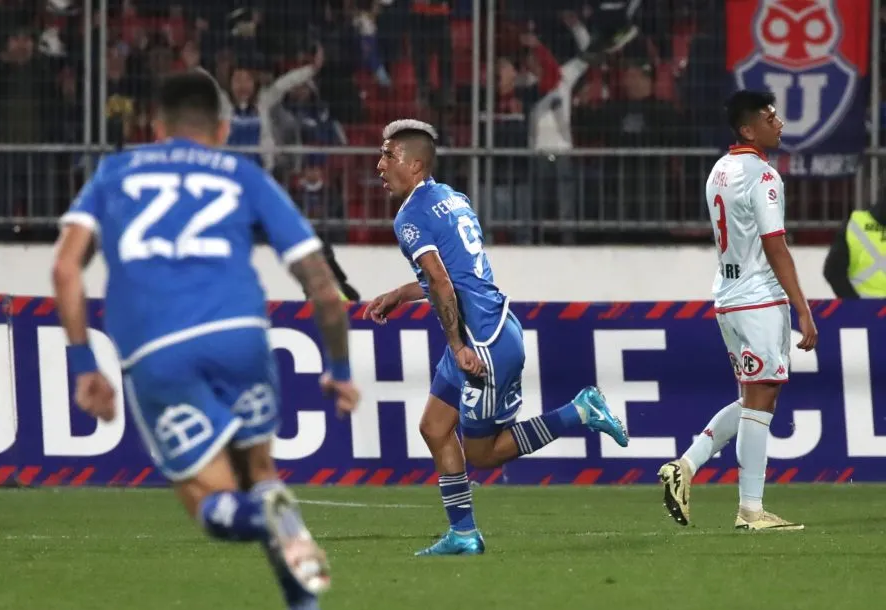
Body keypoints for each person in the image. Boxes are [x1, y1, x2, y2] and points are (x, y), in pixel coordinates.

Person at [51, 70, 360, 610]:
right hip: (240, 337)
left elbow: (66, 270)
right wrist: (339, 366)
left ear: (154, 127)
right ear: (222, 130)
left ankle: (266, 524)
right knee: (263, 474)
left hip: (156, 349)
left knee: (212, 503)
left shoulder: (114, 172)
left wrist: (83, 362)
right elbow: (322, 285)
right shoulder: (244, 174)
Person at [366, 119, 629, 557]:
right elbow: (454, 278)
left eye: (387, 155)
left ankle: (579, 411)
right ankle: (463, 534)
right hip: (487, 328)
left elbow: (444, 285)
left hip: (482, 345)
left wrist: (458, 347)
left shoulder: (410, 216)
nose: (379, 165)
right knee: (434, 427)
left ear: (414, 164)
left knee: (484, 455)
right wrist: (401, 294)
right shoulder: (452, 198)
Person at [658, 91, 817, 531]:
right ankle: (750, 509)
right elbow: (774, 243)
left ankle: (686, 467)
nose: (779, 122)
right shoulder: (763, 176)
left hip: (728, 297)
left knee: (753, 397)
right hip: (760, 299)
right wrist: (803, 308)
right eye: (770, 117)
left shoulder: (719, 171)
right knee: (761, 399)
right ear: (749, 129)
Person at [822, 200, 886, 299]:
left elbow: (833, 271)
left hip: (862, 310)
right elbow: (833, 272)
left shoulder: (855, 224)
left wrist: (853, 304)